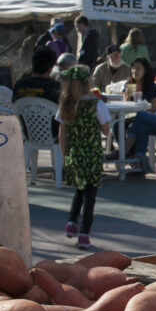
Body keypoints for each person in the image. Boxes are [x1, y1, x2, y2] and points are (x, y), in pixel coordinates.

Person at [57, 65, 111, 250]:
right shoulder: (97, 104)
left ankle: (72, 222)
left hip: (75, 153)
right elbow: (106, 130)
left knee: (80, 189)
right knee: (90, 194)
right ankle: (84, 232)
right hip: (92, 154)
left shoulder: (66, 104)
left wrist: (64, 156)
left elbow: (61, 134)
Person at [126, 58, 156, 173]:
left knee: (141, 116)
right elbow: (126, 105)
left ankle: (122, 154)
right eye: (133, 68)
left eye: (138, 68)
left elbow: (155, 107)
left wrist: (142, 108)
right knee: (117, 125)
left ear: (145, 71)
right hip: (133, 118)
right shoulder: (131, 85)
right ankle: (138, 161)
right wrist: (127, 94)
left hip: (150, 118)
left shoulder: (150, 86)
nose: (134, 71)